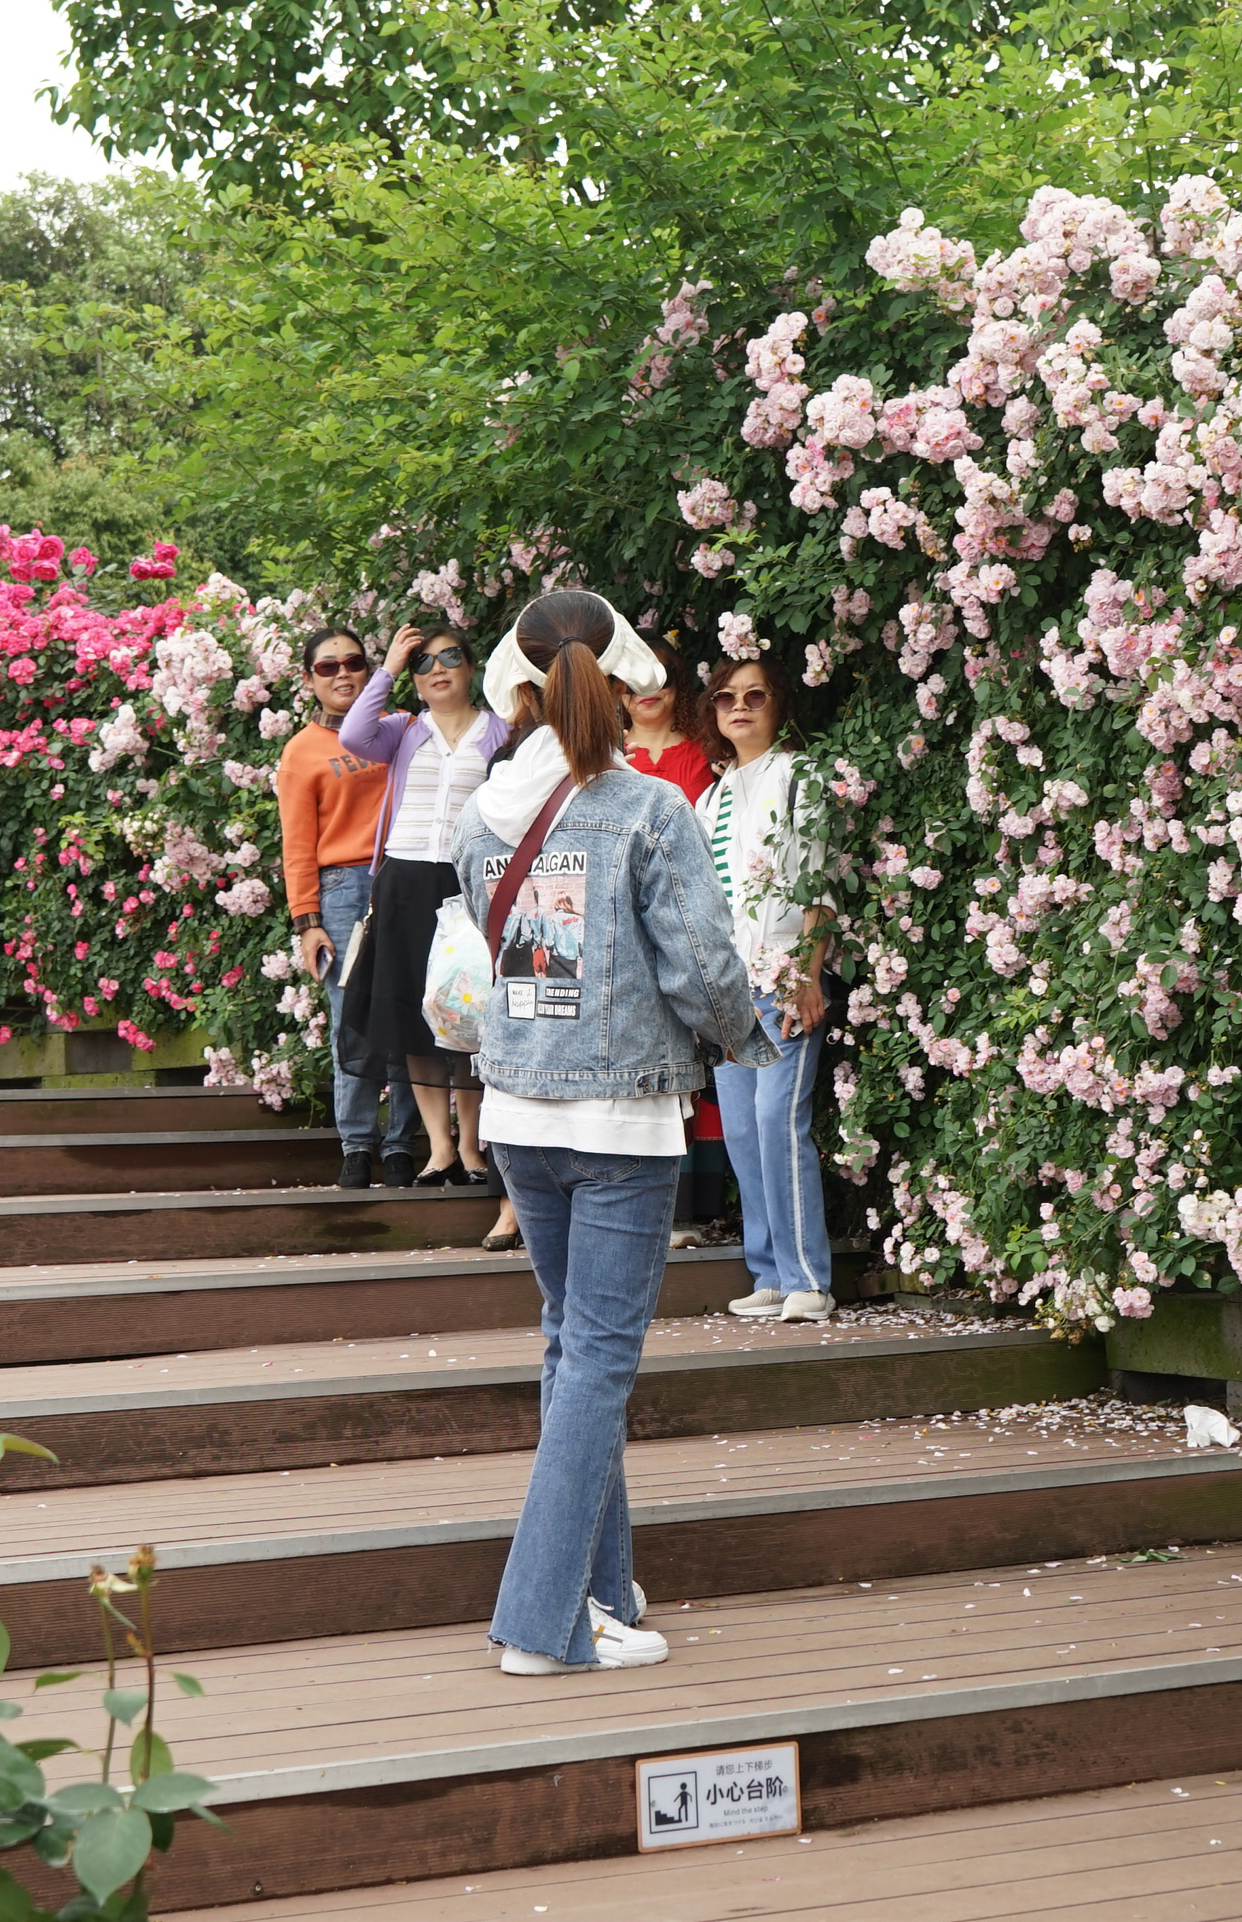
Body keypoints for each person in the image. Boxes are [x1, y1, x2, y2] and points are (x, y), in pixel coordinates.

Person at [454, 589, 775, 1675]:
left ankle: (604, 1589)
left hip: (515, 1116)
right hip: (622, 1121)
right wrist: (747, 1039)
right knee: (594, 1359)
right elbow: (701, 965)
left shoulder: (482, 811)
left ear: (525, 683)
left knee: (567, 1346)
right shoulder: (649, 809)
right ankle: (542, 1623)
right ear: (618, 675)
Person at [338, 619, 507, 1195]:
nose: (437, 670)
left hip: (467, 885)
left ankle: (470, 1144)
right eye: (424, 663)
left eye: (448, 657)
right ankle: (438, 1146)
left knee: (465, 1017)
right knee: (415, 1020)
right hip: (403, 880)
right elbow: (351, 736)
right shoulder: (403, 729)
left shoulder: (500, 732)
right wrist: (386, 665)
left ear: (471, 665)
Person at [706, 652, 837, 1322]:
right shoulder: (711, 793)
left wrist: (809, 975)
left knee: (778, 1125)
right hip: (729, 994)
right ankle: (769, 1272)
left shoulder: (800, 777)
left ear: (779, 704)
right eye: (728, 696)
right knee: (740, 1133)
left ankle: (808, 1277)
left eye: (756, 695)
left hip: (784, 981)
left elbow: (818, 883)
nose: (741, 706)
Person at [279, 626, 423, 1186]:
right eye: (327, 667)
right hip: (342, 890)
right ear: (309, 680)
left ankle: (402, 1146)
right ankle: (357, 1145)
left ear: (371, 669)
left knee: (411, 1015)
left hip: (407, 878)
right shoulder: (302, 752)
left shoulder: (404, 728)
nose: (343, 673)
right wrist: (307, 923)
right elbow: (297, 846)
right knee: (354, 1022)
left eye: (354, 662)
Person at [621, 640, 734, 1249]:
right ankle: (642, 1204)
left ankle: (694, 1207)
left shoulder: (700, 757)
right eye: (636, 678)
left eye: (660, 675)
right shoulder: (607, 757)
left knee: (695, 1057)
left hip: (688, 917)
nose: (648, 688)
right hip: (623, 928)